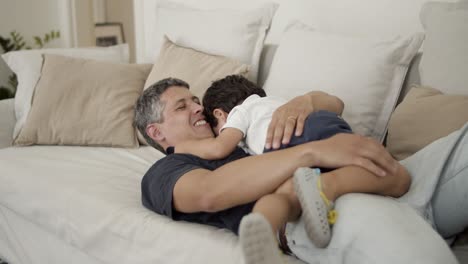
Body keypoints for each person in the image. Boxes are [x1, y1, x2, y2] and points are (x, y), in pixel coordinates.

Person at [134, 78, 415, 264]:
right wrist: (314, 151)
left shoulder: (241, 132)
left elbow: (335, 105)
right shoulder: (166, 171)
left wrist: (306, 101)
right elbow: (210, 192)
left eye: (196, 101)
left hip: (367, 172)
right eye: (183, 106)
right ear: (156, 131)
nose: (198, 108)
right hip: (314, 211)